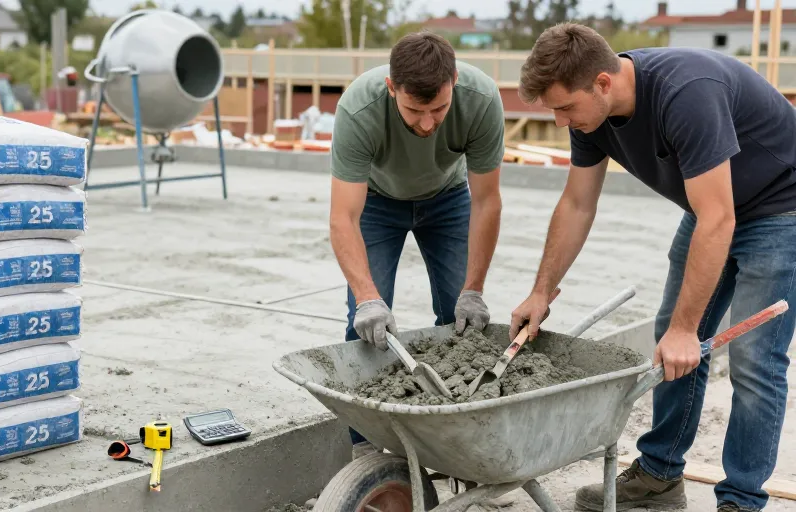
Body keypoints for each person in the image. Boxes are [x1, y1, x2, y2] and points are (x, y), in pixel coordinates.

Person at [512, 23, 796, 512]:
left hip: (780, 207)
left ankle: (741, 499)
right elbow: (577, 204)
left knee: (753, 358)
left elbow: (719, 218)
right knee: (671, 340)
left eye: (565, 108)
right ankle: (660, 477)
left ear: (603, 83)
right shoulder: (591, 116)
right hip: (711, 209)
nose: (559, 122)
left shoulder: (686, 94)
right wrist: (541, 292)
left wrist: (689, 329)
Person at [328, 30, 505, 458]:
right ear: (392, 88)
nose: (427, 124)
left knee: (462, 319)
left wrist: (474, 289)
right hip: (377, 203)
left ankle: (455, 438)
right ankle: (367, 449)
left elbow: (486, 201)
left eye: (439, 109)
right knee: (366, 325)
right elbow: (343, 216)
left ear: (454, 81)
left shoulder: (480, 100)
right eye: (414, 111)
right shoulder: (359, 108)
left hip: (448, 200)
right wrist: (367, 297)